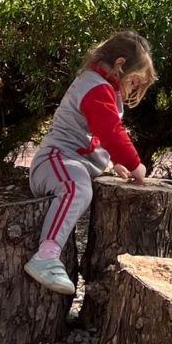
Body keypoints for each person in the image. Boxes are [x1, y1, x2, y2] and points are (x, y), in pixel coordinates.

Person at [24, 30, 156, 295]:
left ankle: (50, 254)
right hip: (55, 161)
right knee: (77, 188)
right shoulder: (94, 86)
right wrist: (133, 163)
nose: (131, 89)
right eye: (132, 81)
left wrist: (111, 164)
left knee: (79, 185)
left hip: (66, 162)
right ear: (120, 65)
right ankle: (46, 256)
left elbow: (94, 135)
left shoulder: (99, 86)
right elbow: (110, 132)